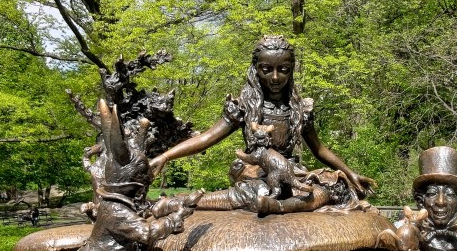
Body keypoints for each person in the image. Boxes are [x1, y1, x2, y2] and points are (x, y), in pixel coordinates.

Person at [149, 35, 374, 214]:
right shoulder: (243, 107)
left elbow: (320, 149)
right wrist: (165, 156)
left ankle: (277, 206)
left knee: (333, 186)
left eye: (283, 70)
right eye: (267, 69)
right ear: (255, 69)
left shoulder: (301, 109)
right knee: (255, 191)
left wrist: (350, 173)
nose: (275, 77)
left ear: (291, 69)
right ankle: (176, 202)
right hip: (257, 171)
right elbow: (207, 138)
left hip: (291, 171)